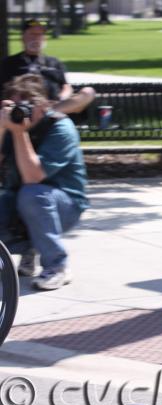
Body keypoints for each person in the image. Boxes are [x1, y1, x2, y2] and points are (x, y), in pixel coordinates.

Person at [0, 74, 89, 290]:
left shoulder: (60, 128)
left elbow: (33, 176)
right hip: (24, 201)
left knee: (33, 194)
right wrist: (3, 127)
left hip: (64, 205)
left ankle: (57, 267)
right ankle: (27, 251)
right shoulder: (11, 127)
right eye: (17, 105)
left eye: (29, 104)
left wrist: (19, 132)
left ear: (45, 104)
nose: (23, 112)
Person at [0, 18, 95, 116]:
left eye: (40, 35)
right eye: (32, 34)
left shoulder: (54, 62)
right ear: (23, 37)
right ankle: (45, 114)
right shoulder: (9, 63)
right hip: (23, 110)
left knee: (88, 92)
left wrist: (61, 98)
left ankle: (48, 113)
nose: (36, 38)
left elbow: (66, 87)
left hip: (54, 107)